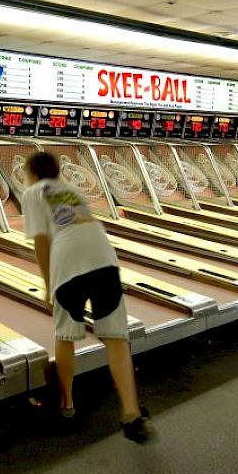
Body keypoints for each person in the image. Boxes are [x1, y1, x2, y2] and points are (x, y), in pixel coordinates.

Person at [20, 151, 151, 442]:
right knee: (116, 338)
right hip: (104, 258)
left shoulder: (32, 193)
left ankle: (67, 404)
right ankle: (131, 411)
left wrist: (47, 284)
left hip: (70, 263)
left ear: (32, 173)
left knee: (65, 335)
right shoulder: (72, 188)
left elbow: (42, 241)